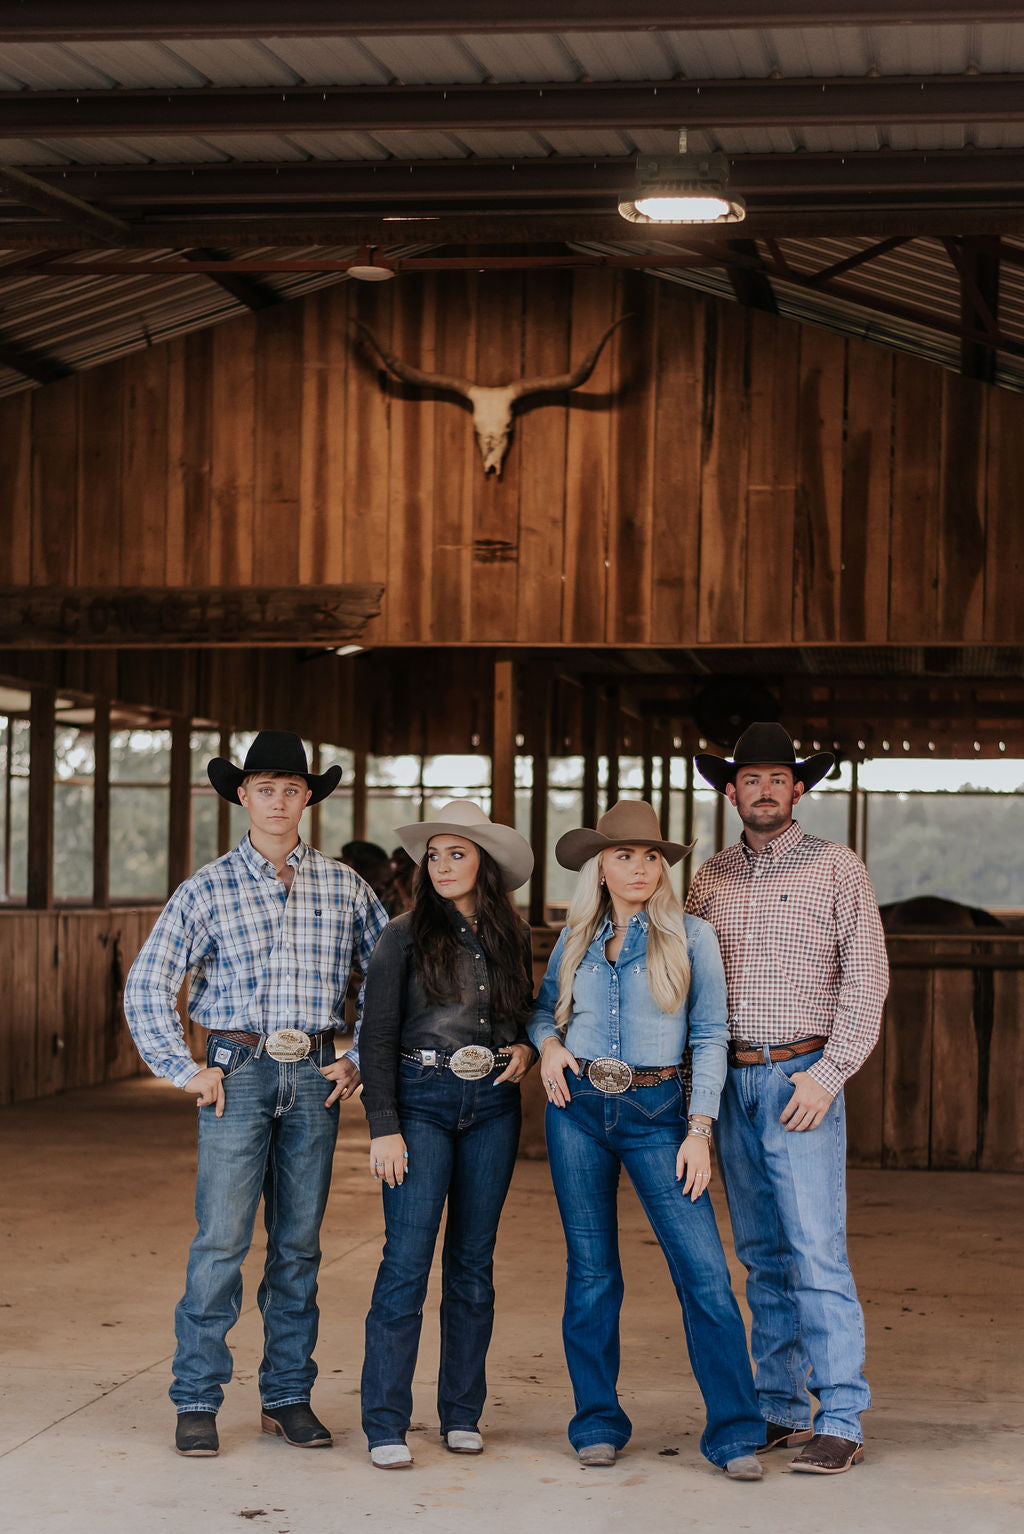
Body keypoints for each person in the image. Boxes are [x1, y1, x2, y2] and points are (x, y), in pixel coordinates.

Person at [123, 731, 388, 1458]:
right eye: (264, 788)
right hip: (237, 1071)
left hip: (315, 1073)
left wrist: (358, 1056)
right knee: (221, 1241)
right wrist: (183, 1067)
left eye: (291, 789)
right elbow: (149, 981)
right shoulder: (206, 888)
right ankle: (197, 1398)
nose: (277, 801)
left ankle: (287, 1396)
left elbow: (388, 978)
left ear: (308, 799)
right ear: (242, 795)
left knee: (298, 1246)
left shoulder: (345, 886)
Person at [529, 800, 766, 1480]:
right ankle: (596, 1421)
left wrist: (699, 1130)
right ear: (600, 868)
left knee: (705, 1274)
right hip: (576, 1110)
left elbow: (711, 1035)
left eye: (651, 856)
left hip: (660, 1113)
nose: (640, 867)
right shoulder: (576, 936)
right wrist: (548, 1046)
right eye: (624, 855)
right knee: (592, 1274)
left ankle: (734, 1433)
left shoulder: (691, 937)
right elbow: (543, 1010)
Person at [685, 723, 889, 1476]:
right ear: (731, 791)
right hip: (731, 1076)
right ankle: (778, 1404)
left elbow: (866, 979)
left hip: (800, 1077)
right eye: (751, 779)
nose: (764, 790)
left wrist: (829, 1075)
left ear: (798, 789)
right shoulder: (709, 878)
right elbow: (693, 984)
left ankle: (841, 1414)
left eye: (777, 778)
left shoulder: (837, 867)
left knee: (815, 1251)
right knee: (761, 1254)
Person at [358, 800, 536, 1469]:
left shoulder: (511, 935)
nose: (441, 865)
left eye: (456, 853)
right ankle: (385, 1423)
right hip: (421, 1102)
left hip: (493, 1104)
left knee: (472, 1266)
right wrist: (384, 1126)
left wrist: (527, 1047)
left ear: (484, 864)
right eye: (433, 855)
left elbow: (523, 1014)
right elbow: (376, 1035)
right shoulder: (401, 936)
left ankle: (462, 1413)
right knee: (406, 1263)